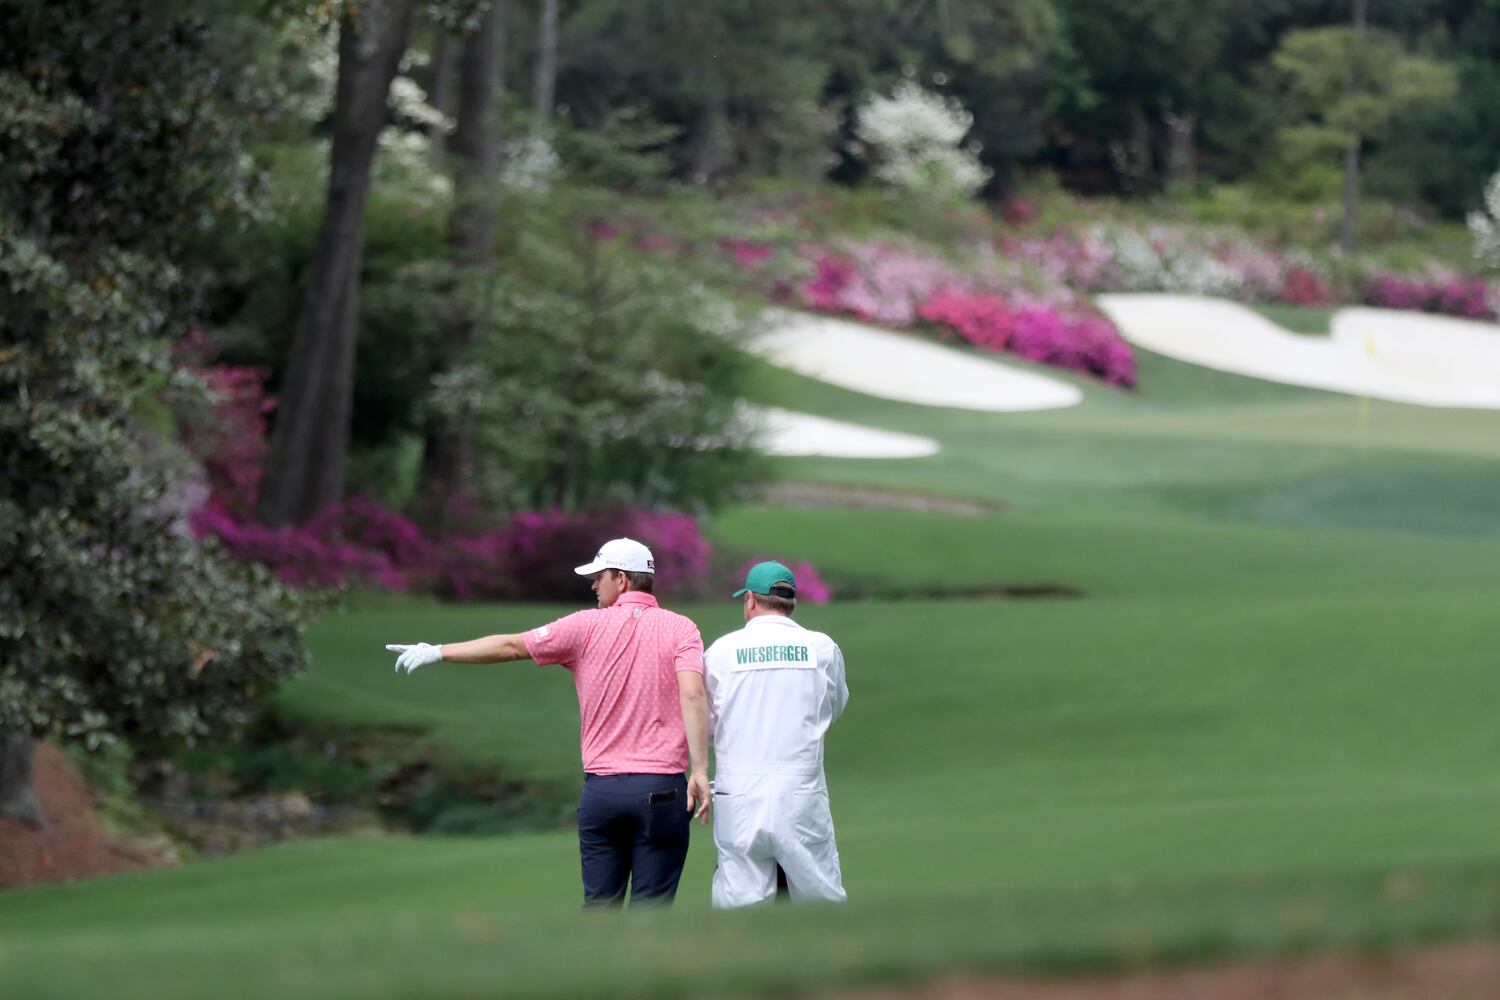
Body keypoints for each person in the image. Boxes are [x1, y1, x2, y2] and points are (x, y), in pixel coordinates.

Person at [386, 537, 711, 908]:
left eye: (599, 577)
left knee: (600, 910)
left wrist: (439, 651)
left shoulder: (584, 626)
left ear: (621, 580)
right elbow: (692, 694)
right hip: (661, 791)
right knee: (651, 912)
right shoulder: (682, 628)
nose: (593, 585)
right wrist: (699, 768)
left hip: (602, 795)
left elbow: (510, 646)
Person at [702, 560, 848, 908]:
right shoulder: (821, 648)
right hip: (800, 788)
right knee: (819, 895)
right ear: (791, 603)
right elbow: (834, 704)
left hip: (738, 791)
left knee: (741, 901)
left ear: (750, 600)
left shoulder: (721, 652)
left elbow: (707, 723)